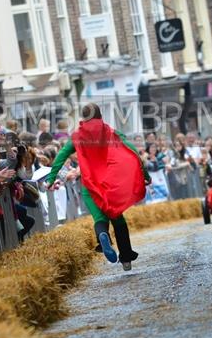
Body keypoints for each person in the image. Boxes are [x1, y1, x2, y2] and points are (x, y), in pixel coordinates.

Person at [45, 103, 149, 271]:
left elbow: (60, 156)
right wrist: (145, 175)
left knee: (100, 219)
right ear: (100, 116)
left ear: (84, 117)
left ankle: (102, 236)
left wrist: (51, 178)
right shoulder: (110, 132)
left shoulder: (77, 136)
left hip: (89, 186)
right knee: (118, 218)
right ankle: (126, 257)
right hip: (109, 186)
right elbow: (132, 152)